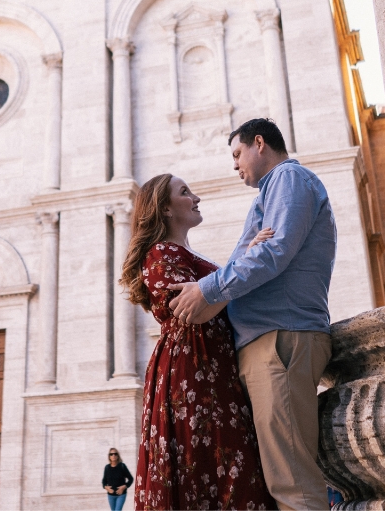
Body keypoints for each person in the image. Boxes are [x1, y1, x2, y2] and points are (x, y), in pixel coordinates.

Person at [168, 118, 337, 511]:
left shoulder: (287, 179)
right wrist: (243, 255)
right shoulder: (274, 189)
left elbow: (272, 252)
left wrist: (206, 289)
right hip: (271, 342)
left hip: (279, 341)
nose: (234, 164)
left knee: (292, 483)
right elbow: (257, 255)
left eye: (236, 153)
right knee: (283, 479)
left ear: (259, 143)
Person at [119, 173, 277, 511]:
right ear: (164, 209)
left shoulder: (181, 253)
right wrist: (247, 260)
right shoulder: (161, 253)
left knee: (225, 465)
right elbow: (194, 311)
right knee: (213, 462)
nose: (196, 197)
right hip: (192, 372)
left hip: (210, 368)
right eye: (185, 192)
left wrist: (246, 258)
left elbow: (217, 293)